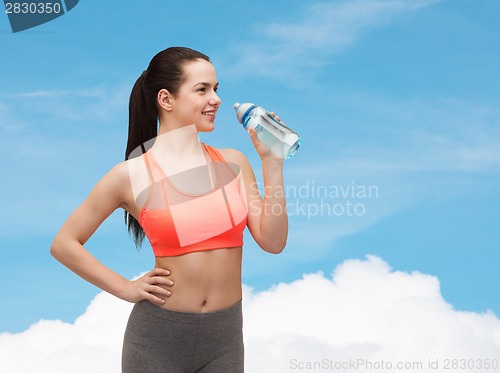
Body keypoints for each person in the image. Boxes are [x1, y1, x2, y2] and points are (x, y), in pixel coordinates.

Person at [50, 46, 288, 372]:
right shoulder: (130, 175)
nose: (215, 99)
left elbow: (273, 242)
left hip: (225, 339)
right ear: (166, 99)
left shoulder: (234, 162)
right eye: (202, 89)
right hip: (156, 341)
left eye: (216, 88)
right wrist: (125, 287)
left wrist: (272, 163)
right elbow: (64, 243)